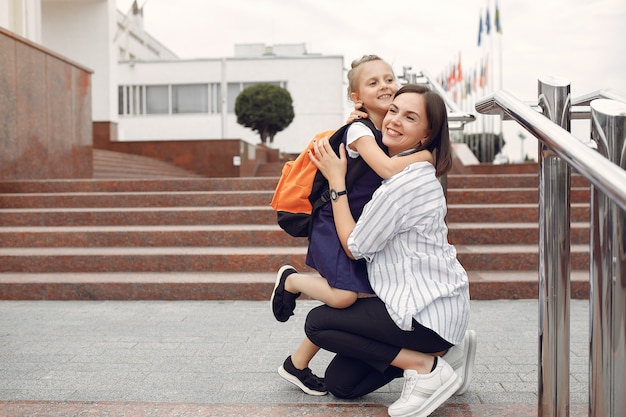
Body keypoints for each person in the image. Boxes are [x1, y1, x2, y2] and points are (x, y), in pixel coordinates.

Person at [270, 56, 434, 396]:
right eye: (373, 83)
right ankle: (291, 280)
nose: (385, 86)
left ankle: (296, 364)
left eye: (389, 78)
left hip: (356, 227)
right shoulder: (360, 131)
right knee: (345, 296)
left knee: (357, 299)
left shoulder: (377, 129)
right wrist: (429, 156)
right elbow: (389, 169)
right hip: (333, 224)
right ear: (356, 96)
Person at [305, 84, 472, 417]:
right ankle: (446, 353)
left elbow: (354, 247)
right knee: (342, 384)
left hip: (424, 313)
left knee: (318, 324)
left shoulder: (402, 185)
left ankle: (426, 366)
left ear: (426, 135)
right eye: (393, 110)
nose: (394, 120)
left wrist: (337, 182)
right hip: (434, 307)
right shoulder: (412, 172)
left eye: (410, 117)